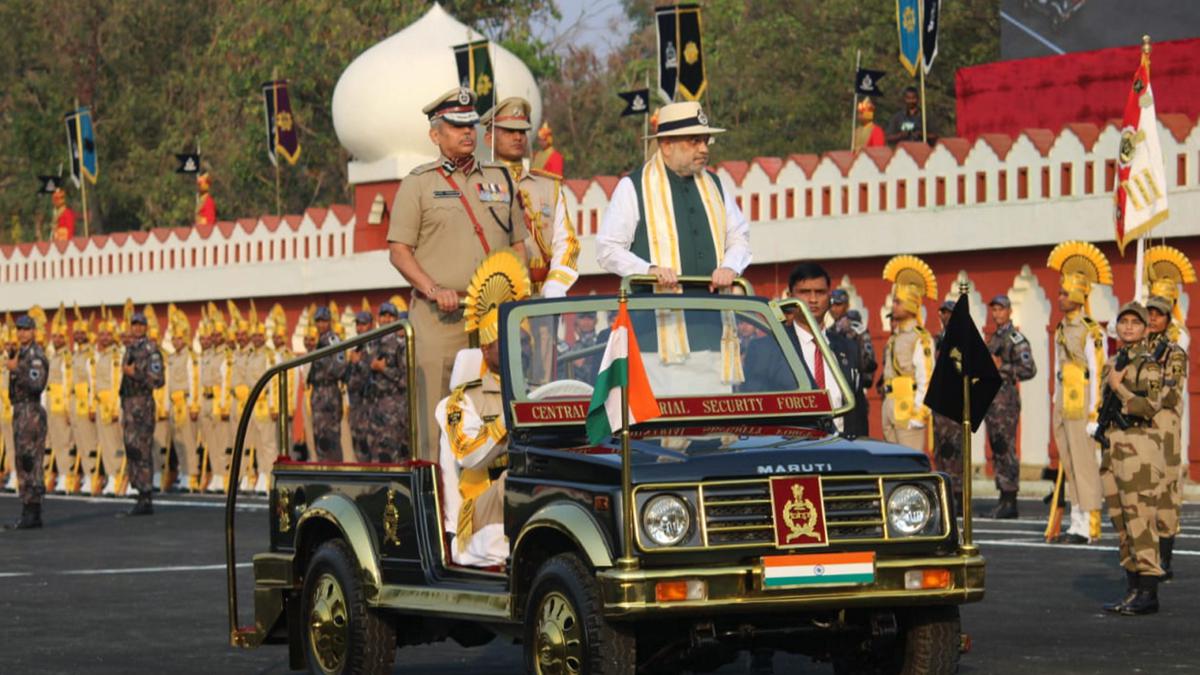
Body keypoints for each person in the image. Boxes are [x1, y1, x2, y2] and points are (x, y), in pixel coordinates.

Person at [388, 86, 528, 463]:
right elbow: (399, 252)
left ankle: (490, 507)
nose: (467, 132)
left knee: (498, 411)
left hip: (495, 321)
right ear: (436, 134)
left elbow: (518, 244)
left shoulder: (501, 179)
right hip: (441, 317)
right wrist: (433, 290)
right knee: (436, 415)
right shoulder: (419, 183)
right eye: (456, 125)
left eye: (471, 124)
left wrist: (518, 291)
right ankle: (434, 509)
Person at [596, 101, 752, 393]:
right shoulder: (634, 186)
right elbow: (607, 249)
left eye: (705, 140)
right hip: (656, 340)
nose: (704, 149)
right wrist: (648, 270)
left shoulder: (715, 185)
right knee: (667, 433)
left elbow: (740, 236)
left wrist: (730, 266)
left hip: (713, 334)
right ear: (666, 145)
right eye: (694, 141)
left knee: (715, 431)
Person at [436, 250, 529, 567]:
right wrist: (510, 419)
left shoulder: (530, 389)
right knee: (519, 481)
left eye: (520, 341)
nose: (517, 348)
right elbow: (468, 453)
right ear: (486, 348)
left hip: (516, 498)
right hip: (480, 507)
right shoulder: (457, 403)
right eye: (506, 342)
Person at [1098, 302, 1166, 615]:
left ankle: (1149, 591)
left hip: (1139, 448)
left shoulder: (1149, 364)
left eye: (1134, 323)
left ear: (1145, 328)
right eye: (1123, 322)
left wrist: (1119, 389)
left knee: (1140, 520)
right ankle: (1132, 588)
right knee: (1121, 521)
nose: (1128, 327)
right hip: (1114, 446)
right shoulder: (1113, 361)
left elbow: (1151, 406)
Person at [1046, 241, 1111, 544]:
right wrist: (1055, 400)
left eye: (1063, 293)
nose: (1059, 298)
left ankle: (1091, 523)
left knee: (1085, 464)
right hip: (1064, 400)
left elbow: (1098, 372)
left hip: (1083, 401)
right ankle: (1075, 521)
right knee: (1069, 463)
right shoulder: (1061, 328)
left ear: (1079, 294)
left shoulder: (1091, 330)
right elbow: (1058, 366)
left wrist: (1095, 412)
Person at [776, 263, 855, 432]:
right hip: (794, 447)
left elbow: (858, 410)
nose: (813, 300)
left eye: (820, 292)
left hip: (843, 447)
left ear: (829, 296)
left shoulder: (846, 347)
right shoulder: (772, 348)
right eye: (804, 292)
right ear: (790, 296)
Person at [983, 295, 1037, 518]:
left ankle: (1010, 499)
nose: (997, 314)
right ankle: (1002, 497)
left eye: (1000, 309)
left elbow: (1028, 369)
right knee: (997, 448)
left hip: (1006, 402)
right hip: (992, 401)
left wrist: (1002, 368)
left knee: (1006, 448)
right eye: (994, 309)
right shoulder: (994, 338)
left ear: (1009, 311)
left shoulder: (1016, 339)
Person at [1146, 295, 1187, 581]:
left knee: (1166, 490)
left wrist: (1139, 396)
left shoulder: (1173, 353)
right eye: (1148, 313)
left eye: (1158, 314)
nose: (1152, 318)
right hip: (1142, 427)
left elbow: (1171, 392)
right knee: (1144, 489)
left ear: (1167, 318)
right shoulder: (1137, 350)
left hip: (1165, 425)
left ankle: (1166, 557)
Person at [880, 256, 936, 451]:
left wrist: (919, 414)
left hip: (908, 408)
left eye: (898, 302)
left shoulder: (920, 337)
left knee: (909, 468)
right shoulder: (896, 336)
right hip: (890, 405)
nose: (893, 306)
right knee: (891, 467)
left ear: (911, 305)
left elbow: (926, 377)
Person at [5, 315, 49, 529]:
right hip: (19, 410)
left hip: (31, 410)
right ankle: (27, 508)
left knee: (31, 460)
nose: (22, 333)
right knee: (23, 460)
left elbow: (37, 383)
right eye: (19, 329)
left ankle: (34, 509)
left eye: (26, 329)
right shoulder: (19, 353)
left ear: (34, 331)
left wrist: (17, 369)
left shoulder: (36, 356)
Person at [119, 312, 164, 516]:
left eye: (140, 325)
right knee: (132, 449)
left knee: (143, 448)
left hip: (142, 405)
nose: (136, 328)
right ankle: (138, 490)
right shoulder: (130, 348)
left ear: (146, 327)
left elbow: (158, 379)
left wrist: (134, 373)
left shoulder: (151, 350)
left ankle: (146, 495)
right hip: (129, 404)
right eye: (134, 325)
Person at [367, 302, 409, 462]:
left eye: (390, 315)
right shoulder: (372, 342)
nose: (386, 319)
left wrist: (384, 369)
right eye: (383, 315)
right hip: (374, 406)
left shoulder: (401, 345)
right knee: (376, 453)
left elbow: (405, 378)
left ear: (396, 318)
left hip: (393, 408)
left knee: (393, 454)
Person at [930, 300, 963, 504]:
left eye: (949, 312)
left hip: (954, 401)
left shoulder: (961, 340)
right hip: (939, 401)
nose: (945, 316)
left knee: (955, 449)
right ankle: (946, 496)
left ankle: (958, 496)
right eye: (942, 312)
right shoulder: (937, 339)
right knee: (941, 449)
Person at [165, 315, 201, 493]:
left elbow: (194, 381)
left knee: (188, 441)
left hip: (185, 403)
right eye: (173, 338)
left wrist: (194, 405)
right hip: (173, 403)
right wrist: (166, 406)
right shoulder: (171, 358)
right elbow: (167, 383)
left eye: (179, 338)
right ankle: (183, 473)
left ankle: (191, 475)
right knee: (177, 441)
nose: (176, 341)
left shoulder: (190, 357)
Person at [199, 311, 233, 492]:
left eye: (218, 334)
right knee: (211, 441)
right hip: (206, 400)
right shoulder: (207, 354)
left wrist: (225, 405)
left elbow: (227, 381)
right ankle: (217, 475)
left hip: (218, 402)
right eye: (213, 334)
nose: (215, 337)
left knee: (222, 441)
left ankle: (225, 476)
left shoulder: (227, 355)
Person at [306, 306, 346, 462]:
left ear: (330, 322)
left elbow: (340, 368)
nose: (321, 324)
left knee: (331, 439)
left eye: (324, 321)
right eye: (318, 321)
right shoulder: (318, 341)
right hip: (318, 393)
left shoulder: (332, 340)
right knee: (320, 438)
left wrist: (322, 358)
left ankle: (336, 477)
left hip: (329, 393)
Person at [92, 314, 125, 496]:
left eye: (108, 334)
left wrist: (115, 407)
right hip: (100, 404)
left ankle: (117, 477)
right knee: (105, 443)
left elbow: (116, 382)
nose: (104, 337)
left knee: (114, 443)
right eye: (101, 334)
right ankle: (111, 475)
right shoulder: (101, 355)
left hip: (111, 406)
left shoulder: (115, 356)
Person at [68, 312, 97, 495]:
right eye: (76, 332)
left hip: (85, 402)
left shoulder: (90, 354)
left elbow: (94, 381)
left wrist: (92, 405)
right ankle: (86, 474)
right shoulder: (74, 354)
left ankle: (93, 476)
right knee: (78, 440)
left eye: (82, 332)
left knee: (89, 441)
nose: (78, 335)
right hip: (73, 403)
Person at [45, 317, 74, 493]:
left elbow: (67, 382)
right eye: (54, 336)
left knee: (64, 442)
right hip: (50, 405)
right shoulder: (52, 357)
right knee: (54, 441)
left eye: (59, 336)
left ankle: (66, 476)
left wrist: (67, 408)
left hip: (61, 405)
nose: (56, 339)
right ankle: (59, 474)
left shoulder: (66, 357)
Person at [345, 310, 376, 463]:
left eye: (363, 324)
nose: (359, 328)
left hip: (369, 406)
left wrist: (359, 363)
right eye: (358, 324)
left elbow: (372, 373)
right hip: (356, 407)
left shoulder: (374, 345)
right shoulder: (356, 347)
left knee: (370, 447)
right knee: (358, 446)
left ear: (370, 325)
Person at [560, 311, 605, 385]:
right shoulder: (573, 348)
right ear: (576, 321)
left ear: (596, 321)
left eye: (590, 318)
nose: (586, 322)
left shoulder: (601, 342)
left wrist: (585, 362)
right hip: (578, 390)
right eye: (582, 318)